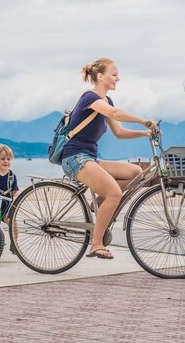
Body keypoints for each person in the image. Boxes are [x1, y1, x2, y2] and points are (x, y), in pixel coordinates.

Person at [61, 57, 156, 259]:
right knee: (114, 194)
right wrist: (142, 120)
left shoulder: (107, 100)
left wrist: (144, 133)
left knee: (136, 172)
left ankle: (94, 205)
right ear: (101, 76)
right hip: (75, 158)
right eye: (114, 75)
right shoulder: (89, 98)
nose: (117, 79)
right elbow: (114, 113)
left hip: (90, 158)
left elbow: (119, 132)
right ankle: (96, 244)